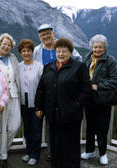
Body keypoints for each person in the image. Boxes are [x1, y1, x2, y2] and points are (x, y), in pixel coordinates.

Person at [35, 38, 91, 168]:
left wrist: (76, 105)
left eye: (64, 51)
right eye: (58, 51)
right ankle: (57, 163)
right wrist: (39, 106)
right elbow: (41, 88)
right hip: (52, 112)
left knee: (71, 142)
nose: (60, 54)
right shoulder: (49, 67)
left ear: (70, 52)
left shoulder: (79, 67)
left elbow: (86, 90)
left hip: (71, 113)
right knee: (55, 140)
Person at [33, 24, 82, 160]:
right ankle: (52, 153)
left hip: (64, 93)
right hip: (47, 92)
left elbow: (78, 60)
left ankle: (64, 155)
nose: (46, 37)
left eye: (48, 33)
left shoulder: (62, 46)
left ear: (53, 34)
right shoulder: (38, 50)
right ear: (39, 37)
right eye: (43, 35)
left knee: (64, 126)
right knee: (51, 125)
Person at [81, 34, 117, 165]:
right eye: (95, 47)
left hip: (104, 100)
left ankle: (103, 154)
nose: (97, 49)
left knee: (102, 128)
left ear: (105, 47)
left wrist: (98, 86)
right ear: (91, 47)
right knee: (90, 126)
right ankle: (89, 151)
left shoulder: (111, 61)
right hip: (89, 99)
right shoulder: (87, 59)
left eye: (100, 47)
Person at [0, 33, 21, 168]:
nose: (6, 46)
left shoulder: (13, 58)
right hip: (0, 98)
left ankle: (3, 149)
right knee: (2, 128)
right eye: (4, 43)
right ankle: (2, 155)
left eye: (9, 45)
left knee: (15, 126)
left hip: (14, 95)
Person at [18, 39, 43, 166]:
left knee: (36, 129)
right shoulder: (19, 66)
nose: (26, 53)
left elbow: (42, 87)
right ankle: (28, 152)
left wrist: (40, 106)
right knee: (27, 129)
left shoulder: (39, 66)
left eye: (28, 50)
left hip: (36, 102)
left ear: (32, 52)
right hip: (23, 101)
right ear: (20, 53)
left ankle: (35, 154)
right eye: (23, 51)